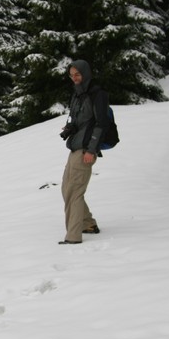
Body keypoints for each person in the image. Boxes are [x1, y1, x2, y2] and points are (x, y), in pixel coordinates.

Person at [58, 60, 110, 245]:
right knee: (66, 189)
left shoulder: (98, 94)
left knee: (75, 192)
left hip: (86, 149)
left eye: (77, 74)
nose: (74, 78)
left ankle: (73, 235)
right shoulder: (78, 94)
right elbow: (79, 119)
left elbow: (100, 124)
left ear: (86, 73)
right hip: (75, 146)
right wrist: (70, 128)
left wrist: (91, 150)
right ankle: (87, 224)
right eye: (71, 75)